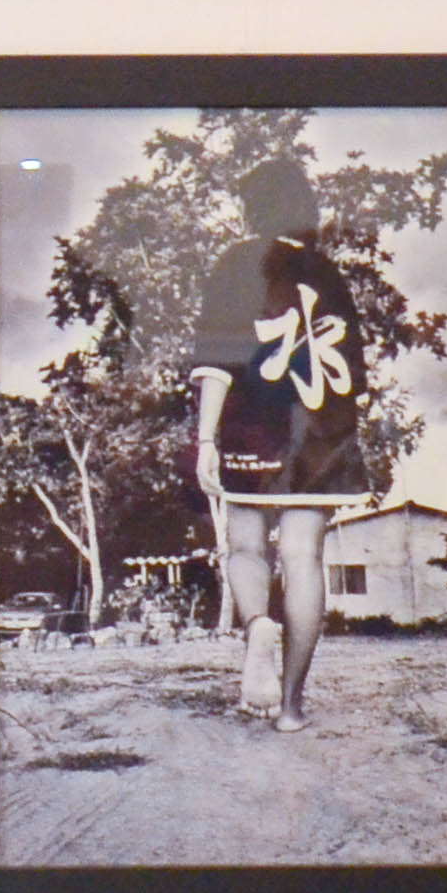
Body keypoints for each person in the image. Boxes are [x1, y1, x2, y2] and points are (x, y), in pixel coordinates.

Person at [183, 151, 375, 733]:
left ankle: (257, 626)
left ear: (253, 208)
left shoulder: (237, 262)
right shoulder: (330, 276)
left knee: (246, 547)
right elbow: (355, 378)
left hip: (255, 423)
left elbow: (218, 359)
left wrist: (206, 438)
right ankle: (291, 708)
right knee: (303, 557)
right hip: (321, 433)